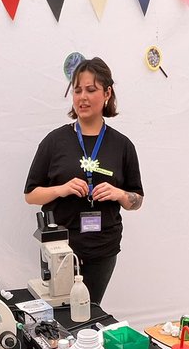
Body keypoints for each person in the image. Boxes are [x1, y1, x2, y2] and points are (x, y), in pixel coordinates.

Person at [23, 56, 144, 305]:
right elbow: (30, 195)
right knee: (60, 314)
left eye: (91, 90)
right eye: (77, 90)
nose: (82, 97)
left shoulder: (122, 145)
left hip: (104, 247)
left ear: (107, 93)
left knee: (91, 310)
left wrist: (120, 194)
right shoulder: (54, 142)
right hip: (60, 248)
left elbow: (137, 200)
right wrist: (61, 189)